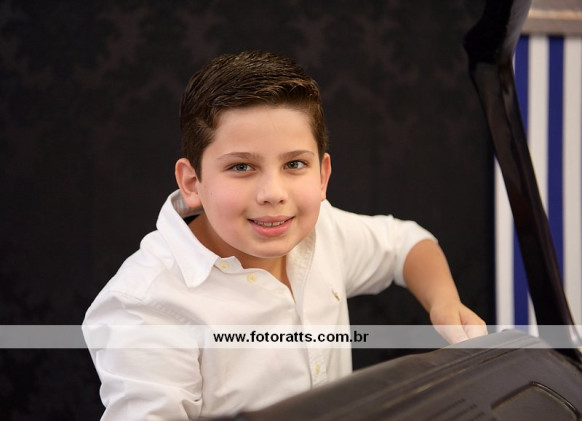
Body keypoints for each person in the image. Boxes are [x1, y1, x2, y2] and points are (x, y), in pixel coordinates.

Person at [83, 50, 487, 420]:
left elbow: (406, 244)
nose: (273, 194)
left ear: (323, 175)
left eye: (294, 164)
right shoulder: (144, 308)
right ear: (192, 183)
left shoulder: (323, 229)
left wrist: (444, 303)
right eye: (241, 167)